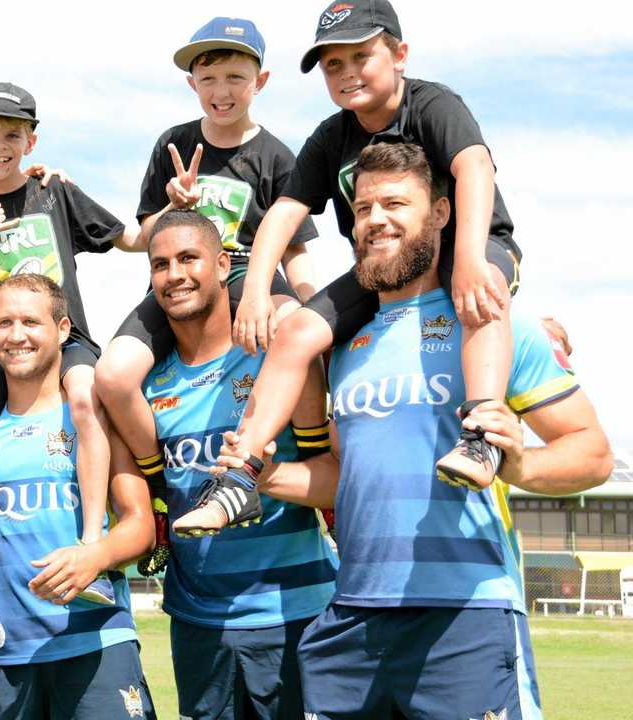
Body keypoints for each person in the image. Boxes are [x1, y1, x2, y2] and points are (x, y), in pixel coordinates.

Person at [218, 143, 611, 719]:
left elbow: (593, 455)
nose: (375, 219)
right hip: (352, 618)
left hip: (466, 616)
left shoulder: (493, 324)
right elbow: (343, 480)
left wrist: (518, 463)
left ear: (442, 214)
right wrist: (266, 475)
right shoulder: (344, 344)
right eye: (363, 207)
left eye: (395, 203)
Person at [207, 0, 523, 533]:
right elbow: (286, 211)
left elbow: (474, 164)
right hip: (384, 270)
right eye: (333, 64)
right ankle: (241, 474)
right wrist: (258, 288)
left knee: (482, 293)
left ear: (399, 55)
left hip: (466, 242)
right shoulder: (333, 136)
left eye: (361, 56)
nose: (347, 72)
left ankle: (482, 437)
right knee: (297, 329)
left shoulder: (433, 105)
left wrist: (468, 257)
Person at [92, 17, 325, 564]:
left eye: (236, 78)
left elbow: (296, 247)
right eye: (210, 77)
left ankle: (319, 463)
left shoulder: (276, 156)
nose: (222, 91)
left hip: (250, 273)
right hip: (180, 281)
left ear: (261, 82)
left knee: (299, 331)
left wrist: (316, 310)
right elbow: (144, 238)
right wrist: (176, 207)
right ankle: (156, 493)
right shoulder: (173, 143)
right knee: (114, 373)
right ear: (192, 83)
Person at [0, 82, 141, 605]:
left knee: (82, 400)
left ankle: (91, 547)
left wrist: (174, 204)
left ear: (31, 141)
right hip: (2, 355)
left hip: (66, 345)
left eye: (12, 133)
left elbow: (129, 239)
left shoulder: (53, 191)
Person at [134, 208, 337, 719]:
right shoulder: (147, 384)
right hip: (198, 622)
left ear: (224, 265)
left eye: (188, 258)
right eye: (160, 265)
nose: (175, 275)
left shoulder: (277, 355)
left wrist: (268, 481)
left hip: (296, 613)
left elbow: (334, 480)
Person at [0, 273, 159, 719]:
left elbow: (142, 527)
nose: (16, 336)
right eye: (3, 324)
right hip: (3, 654)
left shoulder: (94, 413)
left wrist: (95, 557)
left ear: (61, 330)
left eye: (30, 323)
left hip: (95, 640)